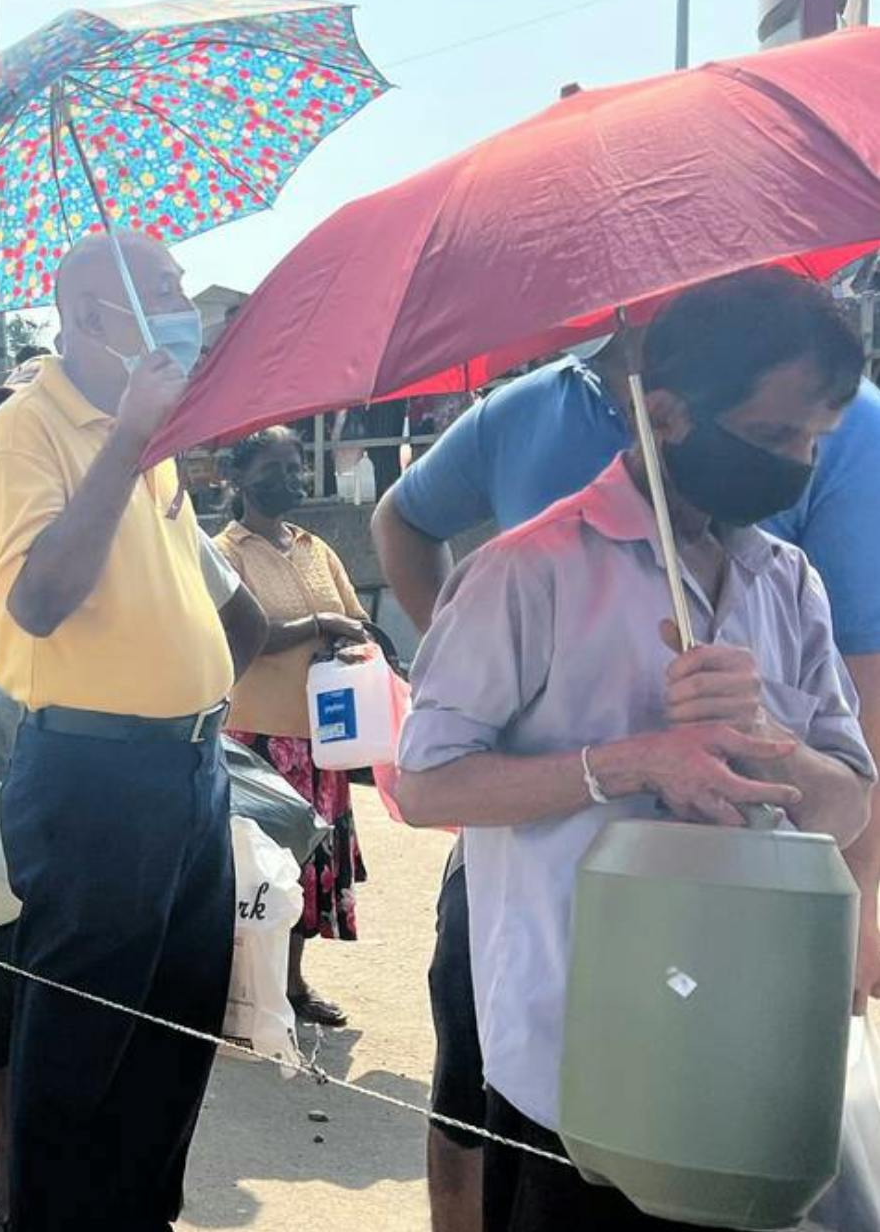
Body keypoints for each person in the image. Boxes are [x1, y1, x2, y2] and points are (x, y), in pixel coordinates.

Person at [371, 290, 880, 1232]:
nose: (798, 465)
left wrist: (770, 738)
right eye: (772, 433)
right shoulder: (529, 573)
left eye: (816, 439)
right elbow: (430, 782)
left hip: (740, 1040)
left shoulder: (789, 583)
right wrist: (632, 761)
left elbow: (849, 809)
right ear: (667, 413)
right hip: (577, 1065)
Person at [0, 231, 233, 1231]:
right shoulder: (25, 430)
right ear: (86, 314)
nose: (179, 305)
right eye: (156, 291)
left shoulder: (153, 432)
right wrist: (125, 439)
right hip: (93, 779)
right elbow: (35, 601)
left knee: (174, 1033)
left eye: (175, 286)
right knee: (81, 1050)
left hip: (190, 769)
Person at [0, 522, 265, 1232]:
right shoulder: (8, 532)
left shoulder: (158, 519)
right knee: (2, 995)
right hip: (14, 792)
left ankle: (114, 1202)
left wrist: (183, 724)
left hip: (128, 807)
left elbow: (245, 624)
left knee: (128, 1024)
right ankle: (8, 1172)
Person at [213, 426, 373, 1029]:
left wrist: (351, 636)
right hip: (257, 741)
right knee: (256, 871)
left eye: (298, 466)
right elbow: (243, 637)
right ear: (239, 479)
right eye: (275, 468)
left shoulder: (314, 547)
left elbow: (355, 619)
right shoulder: (224, 552)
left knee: (307, 868)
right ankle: (240, 992)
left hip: (321, 738)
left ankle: (290, 985)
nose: (291, 479)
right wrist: (321, 621)